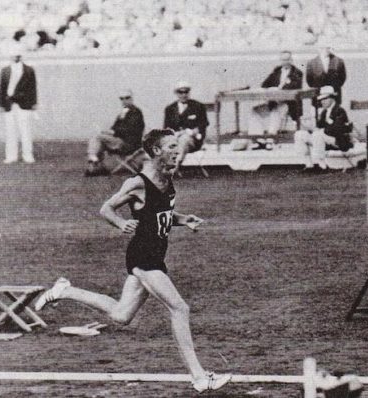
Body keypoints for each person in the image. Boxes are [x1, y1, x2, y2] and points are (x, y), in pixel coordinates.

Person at [35, 129, 231, 393]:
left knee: (121, 315)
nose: (177, 151)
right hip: (143, 256)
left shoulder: (167, 176)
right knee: (180, 308)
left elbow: (159, 214)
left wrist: (183, 219)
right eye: (172, 146)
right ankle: (198, 377)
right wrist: (120, 223)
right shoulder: (137, 183)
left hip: (155, 255)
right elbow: (106, 208)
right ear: (156, 151)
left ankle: (65, 290)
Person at [86, 89, 146, 176]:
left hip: (129, 144)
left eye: (127, 98)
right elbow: (114, 128)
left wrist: (112, 132)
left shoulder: (136, 112)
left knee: (98, 138)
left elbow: (129, 130)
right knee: (99, 140)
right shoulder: (123, 113)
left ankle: (94, 161)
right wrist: (109, 132)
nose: (124, 101)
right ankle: (96, 166)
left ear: (132, 99)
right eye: (121, 98)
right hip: (121, 141)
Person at [294, 86, 352, 171]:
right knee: (299, 134)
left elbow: (337, 129)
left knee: (318, 134)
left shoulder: (339, 110)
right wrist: (309, 127)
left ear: (332, 98)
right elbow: (319, 126)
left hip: (338, 141)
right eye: (321, 100)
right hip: (323, 139)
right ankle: (308, 164)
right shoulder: (325, 112)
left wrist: (319, 130)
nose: (322, 102)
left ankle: (322, 166)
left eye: (325, 99)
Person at [248, 50, 303, 135]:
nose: (285, 62)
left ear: (291, 60)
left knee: (275, 112)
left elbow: (294, 87)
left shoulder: (297, 73)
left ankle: (271, 139)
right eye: (283, 60)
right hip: (273, 103)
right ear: (280, 61)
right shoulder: (276, 71)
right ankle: (257, 138)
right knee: (255, 111)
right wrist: (272, 89)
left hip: (288, 104)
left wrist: (280, 88)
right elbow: (264, 84)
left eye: (287, 59)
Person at [0, 43, 38, 164]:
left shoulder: (29, 70)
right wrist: (1, 104)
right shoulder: (5, 70)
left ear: (21, 56)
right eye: (13, 55)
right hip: (9, 104)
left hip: (24, 104)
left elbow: (33, 88)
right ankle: (11, 156)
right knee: (10, 131)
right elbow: (2, 89)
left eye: (17, 55)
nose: (15, 57)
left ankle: (28, 155)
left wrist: (33, 104)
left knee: (25, 130)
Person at [163, 81, 209, 173]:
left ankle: (173, 167)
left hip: (192, 140)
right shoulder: (170, 109)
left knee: (184, 140)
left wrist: (194, 131)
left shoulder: (198, 106)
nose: (184, 95)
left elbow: (204, 123)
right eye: (181, 92)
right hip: (174, 138)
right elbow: (166, 128)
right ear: (176, 93)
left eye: (186, 92)